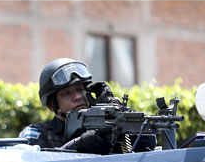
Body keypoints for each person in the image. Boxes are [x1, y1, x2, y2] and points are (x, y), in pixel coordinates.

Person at [19, 58, 156, 154]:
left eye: (80, 90)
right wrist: (77, 146)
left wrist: (118, 113)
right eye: (66, 93)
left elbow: (147, 145)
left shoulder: (104, 124)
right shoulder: (38, 132)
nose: (78, 97)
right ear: (51, 105)